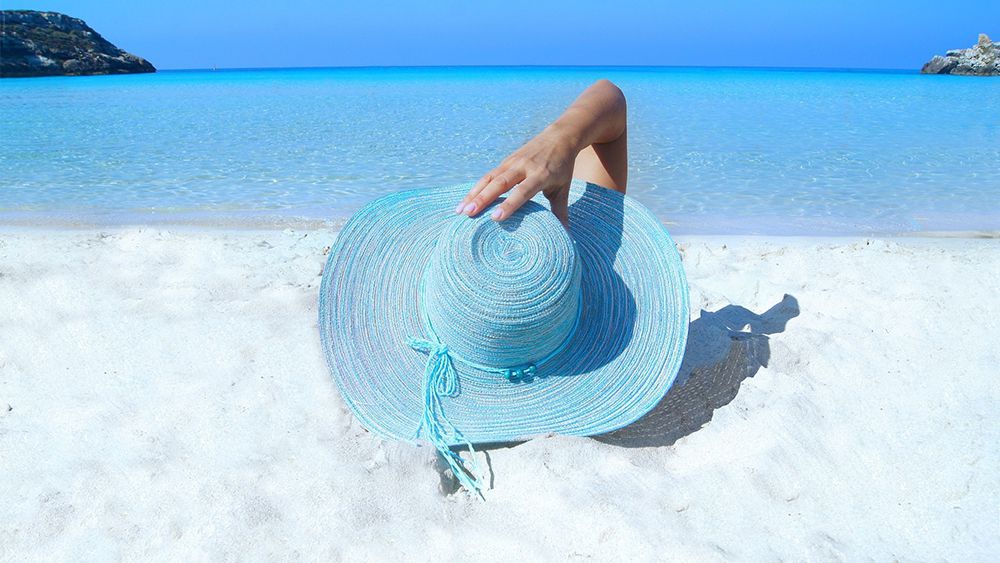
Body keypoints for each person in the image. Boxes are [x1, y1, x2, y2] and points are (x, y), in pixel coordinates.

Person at [454, 79, 628, 226]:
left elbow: (609, 94)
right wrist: (561, 140)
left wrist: (557, 140)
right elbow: (610, 96)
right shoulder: (594, 231)